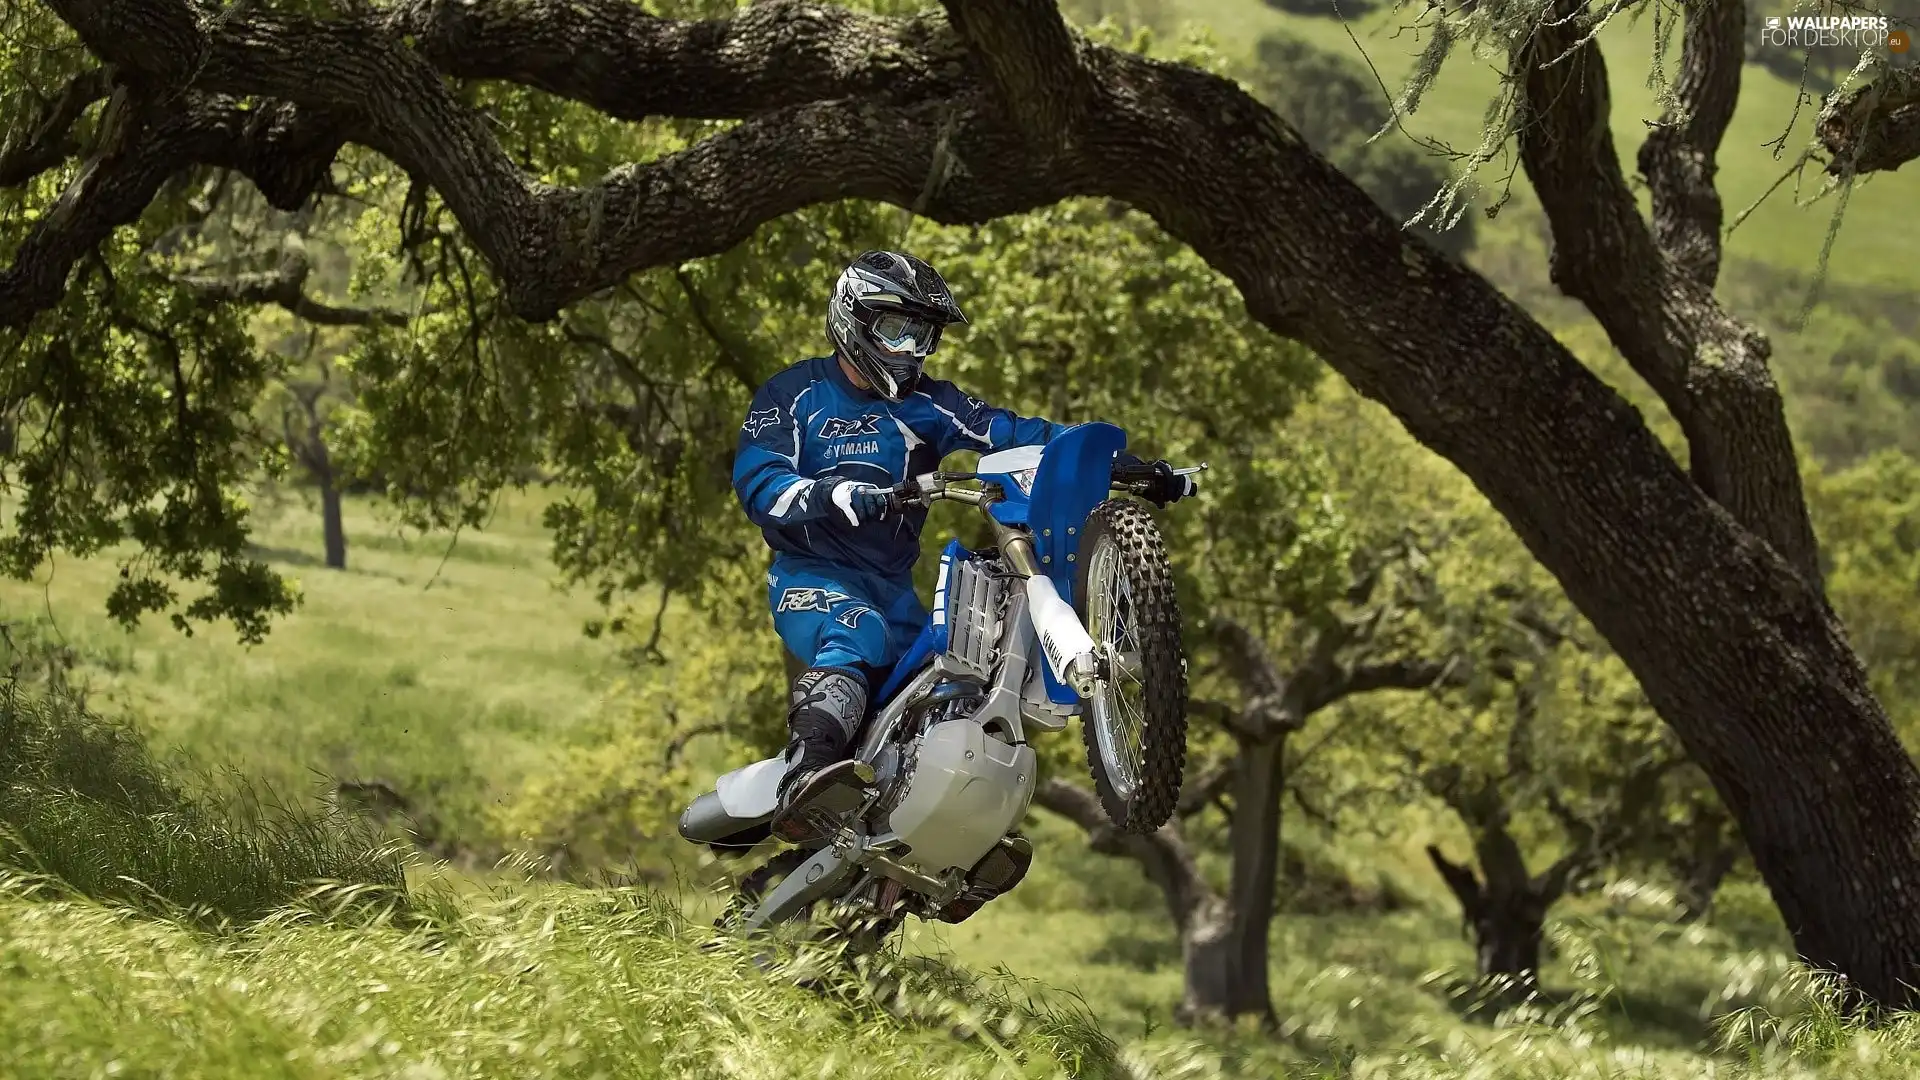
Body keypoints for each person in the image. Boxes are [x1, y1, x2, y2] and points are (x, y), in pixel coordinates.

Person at [732, 250, 1193, 844]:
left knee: (949, 681)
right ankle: (806, 776)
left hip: (894, 589)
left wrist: (1122, 466)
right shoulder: (792, 395)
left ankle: (944, 835)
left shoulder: (930, 401)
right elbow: (759, 481)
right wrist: (835, 493)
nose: (908, 350)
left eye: (920, 336)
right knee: (858, 635)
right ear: (854, 317)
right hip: (811, 576)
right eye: (897, 330)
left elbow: (1013, 432)